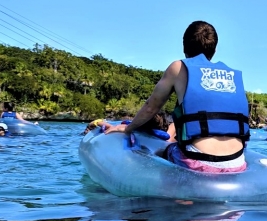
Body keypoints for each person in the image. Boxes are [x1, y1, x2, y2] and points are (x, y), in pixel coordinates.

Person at [104, 21, 249, 173]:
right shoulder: (231, 75)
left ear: (184, 47)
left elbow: (151, 107)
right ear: (214, 49)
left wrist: (128, 128)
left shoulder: (178, 67)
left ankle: (168, 195)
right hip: (237, 162)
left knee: (162, 152)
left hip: (199, 161)